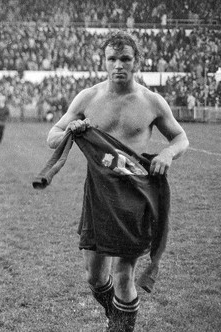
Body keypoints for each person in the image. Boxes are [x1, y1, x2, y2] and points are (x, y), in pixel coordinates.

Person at [46, 31, 189, 332]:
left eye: (125, 58)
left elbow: (180, 137)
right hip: (98, 194)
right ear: (104, 61)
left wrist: (167, 153)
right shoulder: (88, 97)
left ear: (137, 62)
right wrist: (70, 128)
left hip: (135, 196)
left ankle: (122, 327)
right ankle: (117, 315)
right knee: (94, 277)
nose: (118, 65)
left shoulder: (152, 102)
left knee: (125, 273)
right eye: (112, 59)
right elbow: (52, 138)